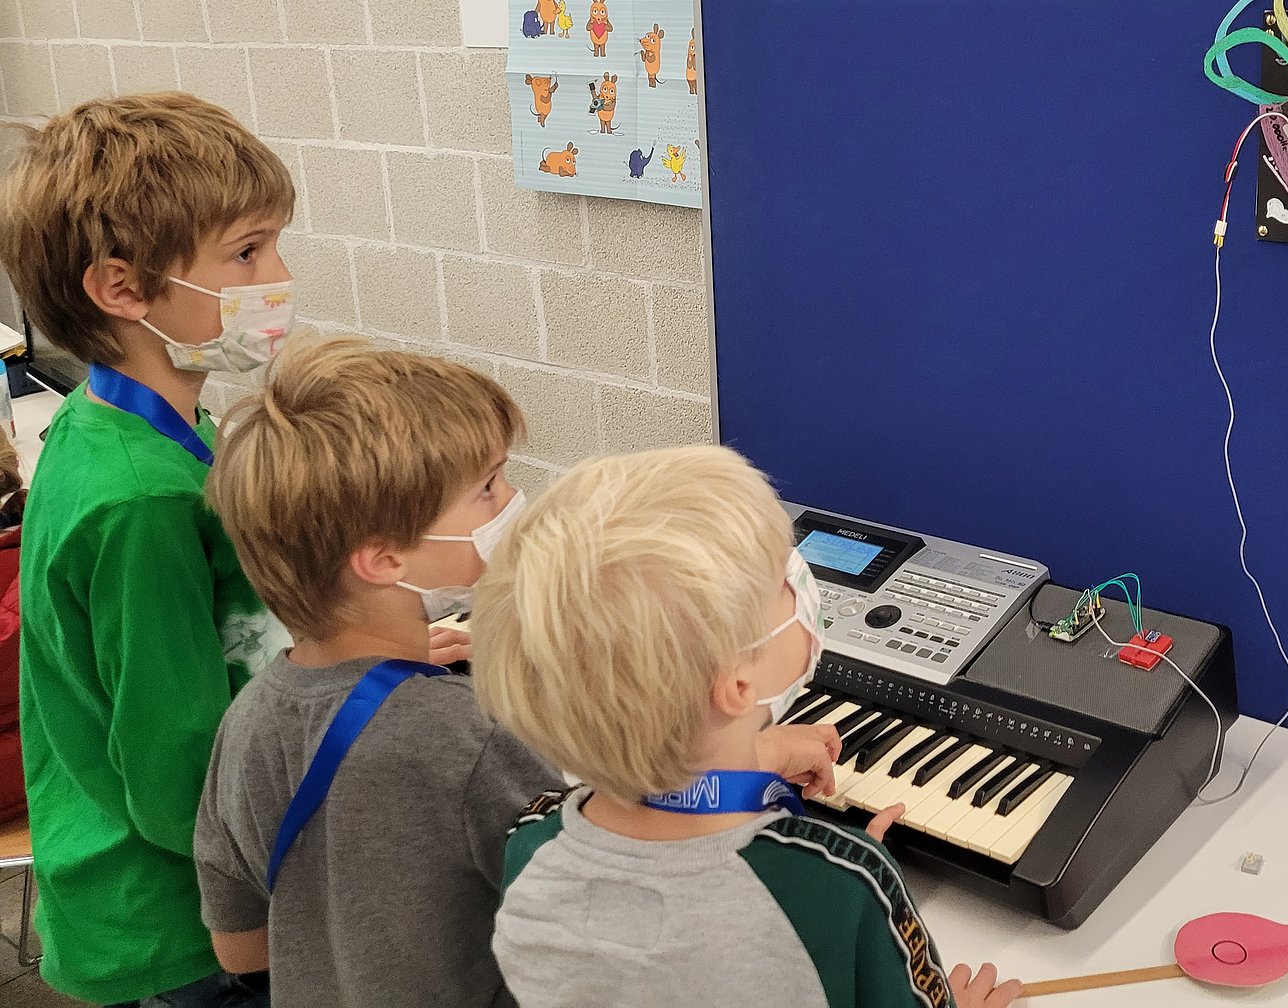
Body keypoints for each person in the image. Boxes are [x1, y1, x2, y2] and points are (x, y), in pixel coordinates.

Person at [193, 338, 841, 1008]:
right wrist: (756, 760)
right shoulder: (465, 735)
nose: (510, 501)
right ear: (383, 559)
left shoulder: (250, 716)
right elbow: (619, 891)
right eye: (485, 488)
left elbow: (239, 946)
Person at [473, 445, 1023, 1008]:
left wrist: (753, 761)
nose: (801, 583)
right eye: (782, 578)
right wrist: (847, 873)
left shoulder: (531, 841)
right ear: (737, 687)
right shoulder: (841, 883)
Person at [0, 93, 296, 1007]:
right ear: (122, 289)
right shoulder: (140, 502)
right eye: (246, 251)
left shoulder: (121, 428)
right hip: (185, 920)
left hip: (170, 887)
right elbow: (176, 768)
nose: (277, 273)